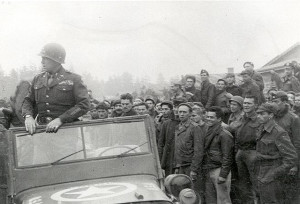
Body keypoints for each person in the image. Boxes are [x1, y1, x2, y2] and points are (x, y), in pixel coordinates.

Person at [22, 43, 90, 134]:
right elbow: (28, 101)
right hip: (41, 132)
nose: (42, 62)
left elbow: (83, 104)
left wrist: (61, 119)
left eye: (45, 58)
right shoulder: (38, 79)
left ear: (56, 60)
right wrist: (28, 116)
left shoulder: (74, 79)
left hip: (65, 132)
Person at [256, 103, 297, 204]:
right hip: (260, 172)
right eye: (258, 114)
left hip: (272, 175)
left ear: (271, 115)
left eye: (262, 114)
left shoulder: (279, 132)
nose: (259, 116)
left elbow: (291, 158)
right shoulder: (261, 129)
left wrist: (275, 173)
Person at [272, 91, 300, 203]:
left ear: (284, 102)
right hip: (275, 159)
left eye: (276, 101)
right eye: (272, 101)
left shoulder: (294, 118)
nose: (274, 104)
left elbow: (297, 143)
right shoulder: (272, 116)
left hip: (289, 161)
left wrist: (294, 165)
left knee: (291, 194)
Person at [202, 106, 234, 204]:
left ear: (219, 119)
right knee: (210, 200)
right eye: (207, 117)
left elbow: (227, 156)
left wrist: (223, 175)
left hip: (219, 170)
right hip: (209, 169)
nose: (208, 119)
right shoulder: (207, 130)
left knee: (223, 200)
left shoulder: (224, 134)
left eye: (212, 117)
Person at [235, 95, 260, 204]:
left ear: (256, 105)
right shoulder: (241, 118)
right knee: (244, 185)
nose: (246, 105)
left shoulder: (259, 120)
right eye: (244, 103)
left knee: (256, 183)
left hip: (252, 152)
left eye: (249, 103)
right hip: (241, 152)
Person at [174, 103, 204, 182]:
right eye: (180, 112)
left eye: (184, 112)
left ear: (190, 114)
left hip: (190, 167)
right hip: (180, 166)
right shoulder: (178, 127)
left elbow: (199, 151)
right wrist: (177, 166)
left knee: (192, 191)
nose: (181, 114)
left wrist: (194, 170)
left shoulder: (195, 128)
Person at [158, 101, 180, 176]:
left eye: (166, 109)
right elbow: (161, 143)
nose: (164, 111)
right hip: (169, 158)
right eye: (162, 109)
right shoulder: (166, 124)